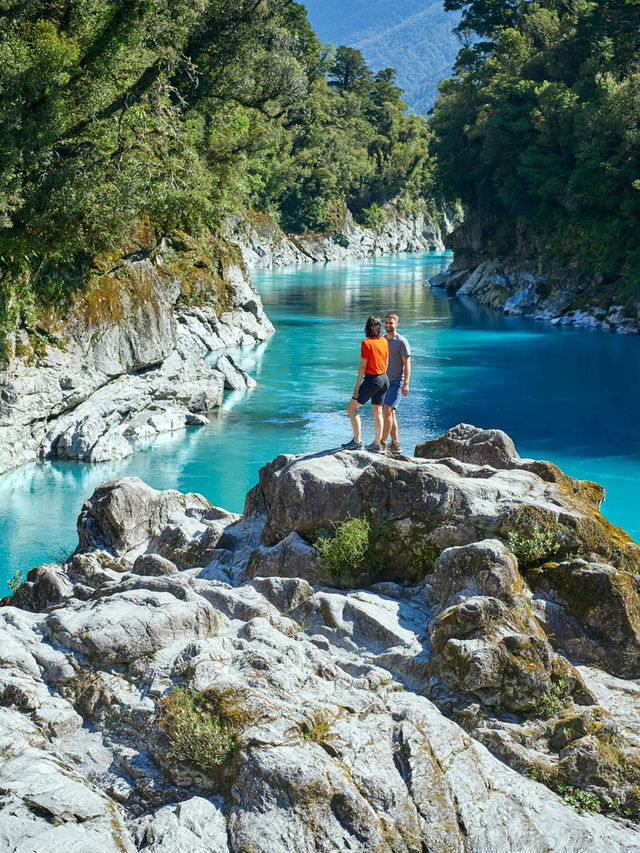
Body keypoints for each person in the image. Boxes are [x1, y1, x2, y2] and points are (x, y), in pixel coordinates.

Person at [342, 315, 389, 452]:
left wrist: (357, 386)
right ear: (379, 327)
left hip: (372, 380)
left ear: (367, 328)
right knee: (378, 412)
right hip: (384, 379)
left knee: (351, 408)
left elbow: (363, 366)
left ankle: (357, 441)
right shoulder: (384, 341)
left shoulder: (366, 343)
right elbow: (386, 361)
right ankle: (376, 444)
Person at [380, 312, 411, 455]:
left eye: (390, 323)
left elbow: (407, 364)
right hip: (384, 382)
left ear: (396, 324)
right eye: (386, 322)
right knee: (390, 413)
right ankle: (396, 444)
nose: (387, 325)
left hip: (397, 382)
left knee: (387, 410)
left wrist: (406, 383)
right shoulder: (381, 340)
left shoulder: (401, 342)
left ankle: (382, 443)